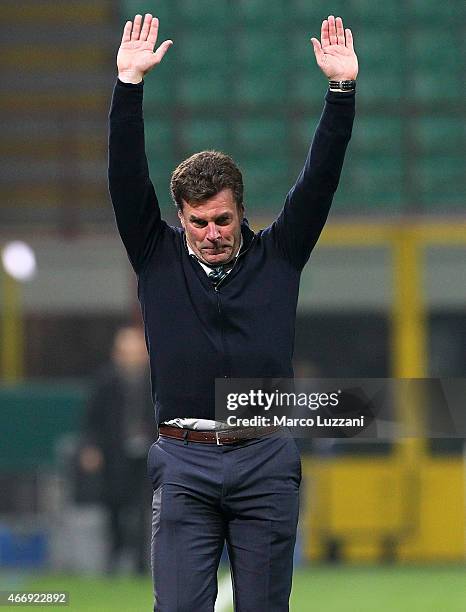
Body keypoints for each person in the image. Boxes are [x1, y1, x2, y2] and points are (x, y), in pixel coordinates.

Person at [109, 11, 357, 611]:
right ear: (180, 218)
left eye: (222, 219)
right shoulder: (156, 255)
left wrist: (341, 92)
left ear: (240, 211)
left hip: (265, 460)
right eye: (198, 222)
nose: (212, 232)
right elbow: (124, 180)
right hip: (184, 461)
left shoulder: (280, 254)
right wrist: (129, 86)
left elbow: (319, 182)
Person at [80, 325, 155, 574]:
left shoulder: (156, 382)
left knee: (145, 507)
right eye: (126, 351)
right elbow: (92, 419)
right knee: (114, 506)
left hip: (149, 453)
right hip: (114, 454)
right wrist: (91, 448)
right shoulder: (104, 382)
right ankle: (113, 556)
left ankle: (141, 562)